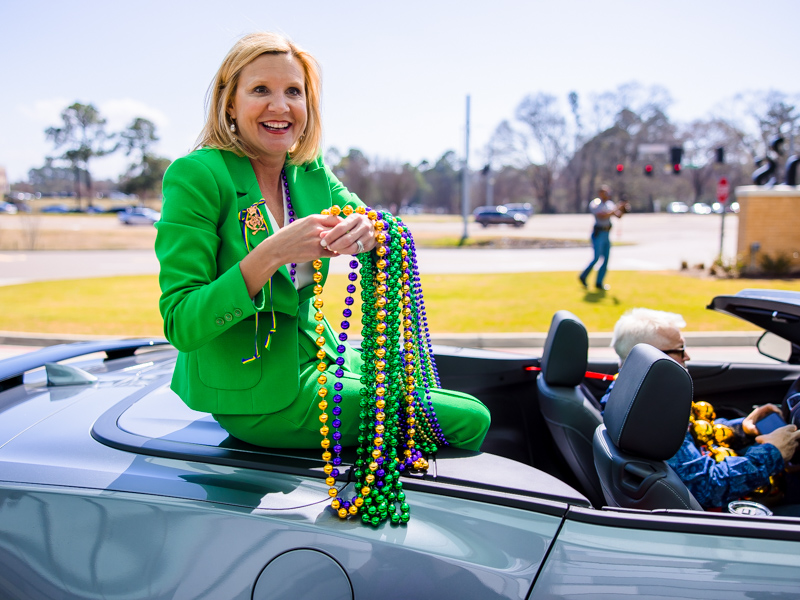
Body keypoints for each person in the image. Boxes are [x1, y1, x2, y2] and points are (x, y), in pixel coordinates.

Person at [155, 32, 490, 451]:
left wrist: (371, 230)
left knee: (430, 382)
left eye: (293, 91)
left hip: (323, 356)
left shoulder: (308, 171)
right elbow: (181, 321)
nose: (280, 106)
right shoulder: (198, 175)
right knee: (471, 419)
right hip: (261, 395)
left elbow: (374, 222)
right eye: (261, 89)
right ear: (229, 102)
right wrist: (271, 254)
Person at [601, 308, 800, 510]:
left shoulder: (632, 394)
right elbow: (708, 487)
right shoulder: (651, 417)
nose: (687, 356)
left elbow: (695, 437)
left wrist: (742, 428)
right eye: (679, 349)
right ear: (653, 357)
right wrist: (773, 452)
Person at [579, 185, 628, 291]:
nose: (607, 194)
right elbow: (602, 215)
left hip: (607, 234)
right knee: (596, 258)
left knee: (606, 259)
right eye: (604, 192)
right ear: (600, 193)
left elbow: (618, 215)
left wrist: (623, 208)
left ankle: (599, 282)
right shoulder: (596, 203)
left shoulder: (610, 204)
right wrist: (616, 207)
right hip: (599, 233)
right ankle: (583, 276)